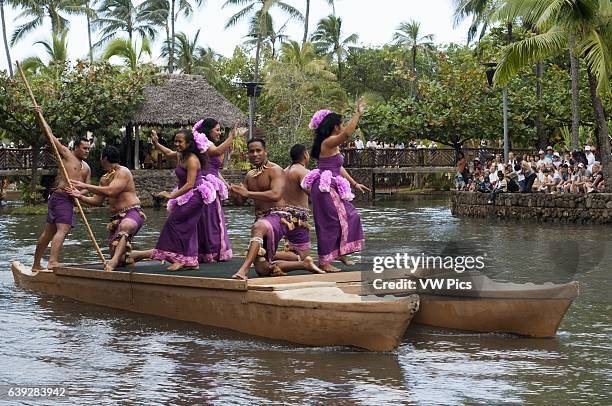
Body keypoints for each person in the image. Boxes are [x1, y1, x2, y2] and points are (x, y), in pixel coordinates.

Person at [229, 138, 323, 280]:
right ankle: (304, 264)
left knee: (258, 227)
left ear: (265, 152)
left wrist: (248, 193)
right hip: (262, 218)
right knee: (263, 269)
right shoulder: (249, 176)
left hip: (278, 216)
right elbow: (240, 202)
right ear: (247, 154)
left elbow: (276, 194)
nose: (255, 154)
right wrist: (234, 195)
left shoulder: (276, 170)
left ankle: (243, 270)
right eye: (251, 151)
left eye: (258, 150)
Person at [302, 100, 370, 272]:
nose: (342, 126)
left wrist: (354, 183)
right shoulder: (328, 142)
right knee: (331, 223)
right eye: (340, 123)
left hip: (331, 185)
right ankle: (325, 262)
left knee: (350, 216)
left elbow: (338, 167)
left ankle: (340, 252)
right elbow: (347, 134)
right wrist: (358, 113)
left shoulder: (331, 144)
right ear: (334, 127)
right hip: (325, 188)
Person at [132, 129, 214, 270]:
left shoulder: (192, 160)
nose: (176, 144)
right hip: (185, 196)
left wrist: (171, 195)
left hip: (194, 196)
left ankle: (180, 258)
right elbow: (168, 153)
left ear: (188, 143)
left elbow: (189, 184)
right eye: (175, 141)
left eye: (179, 142)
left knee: (174, 223)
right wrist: (156, 143)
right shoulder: (181, 155)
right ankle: (191, 260)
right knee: (188, 227)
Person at [68, 146, 145, 271]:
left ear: (104, 158)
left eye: (100, 157)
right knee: (121, 259)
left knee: (126, 226)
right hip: (115, 219)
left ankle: (113, 262)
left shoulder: (123, 172)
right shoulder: (105, 178)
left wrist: (84, 185)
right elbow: (96, 201)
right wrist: (79, 196)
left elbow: (111, 191)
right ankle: (150, 253)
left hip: (132, 213)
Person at [32, 128, 91, 271]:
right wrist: (41, 118)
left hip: (65, 199)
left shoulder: (87, 167)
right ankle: (52, 262)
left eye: (88, 149)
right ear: (76, 147)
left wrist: (78, 193)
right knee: (63, 229)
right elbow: (51, 136)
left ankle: (36, 265)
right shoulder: (67, 154)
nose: (87, 151)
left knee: (49, 233)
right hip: (61, 197)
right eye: (84, 148)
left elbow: (88, 187)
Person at [190, 119, 239, 263]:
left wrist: (226, 185)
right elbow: (217, 151)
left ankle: (209, 251)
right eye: (217, 130)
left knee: (210, 219)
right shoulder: (205, 143)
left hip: (210, 184)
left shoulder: (205, 143)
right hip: (206, 186)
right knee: (210, 220)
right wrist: (231, 137)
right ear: (208, 130)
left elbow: (215, 170)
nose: (219, 133)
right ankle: (210, 252)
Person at [278, 144, 314, 262]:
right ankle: (266, 253)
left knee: (292, 249)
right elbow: (311, 193)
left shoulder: (285, 170)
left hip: (285, 215)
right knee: (304, 256)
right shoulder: (301, 171)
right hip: (297, 218)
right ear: (305, 155)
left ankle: (267, 254)